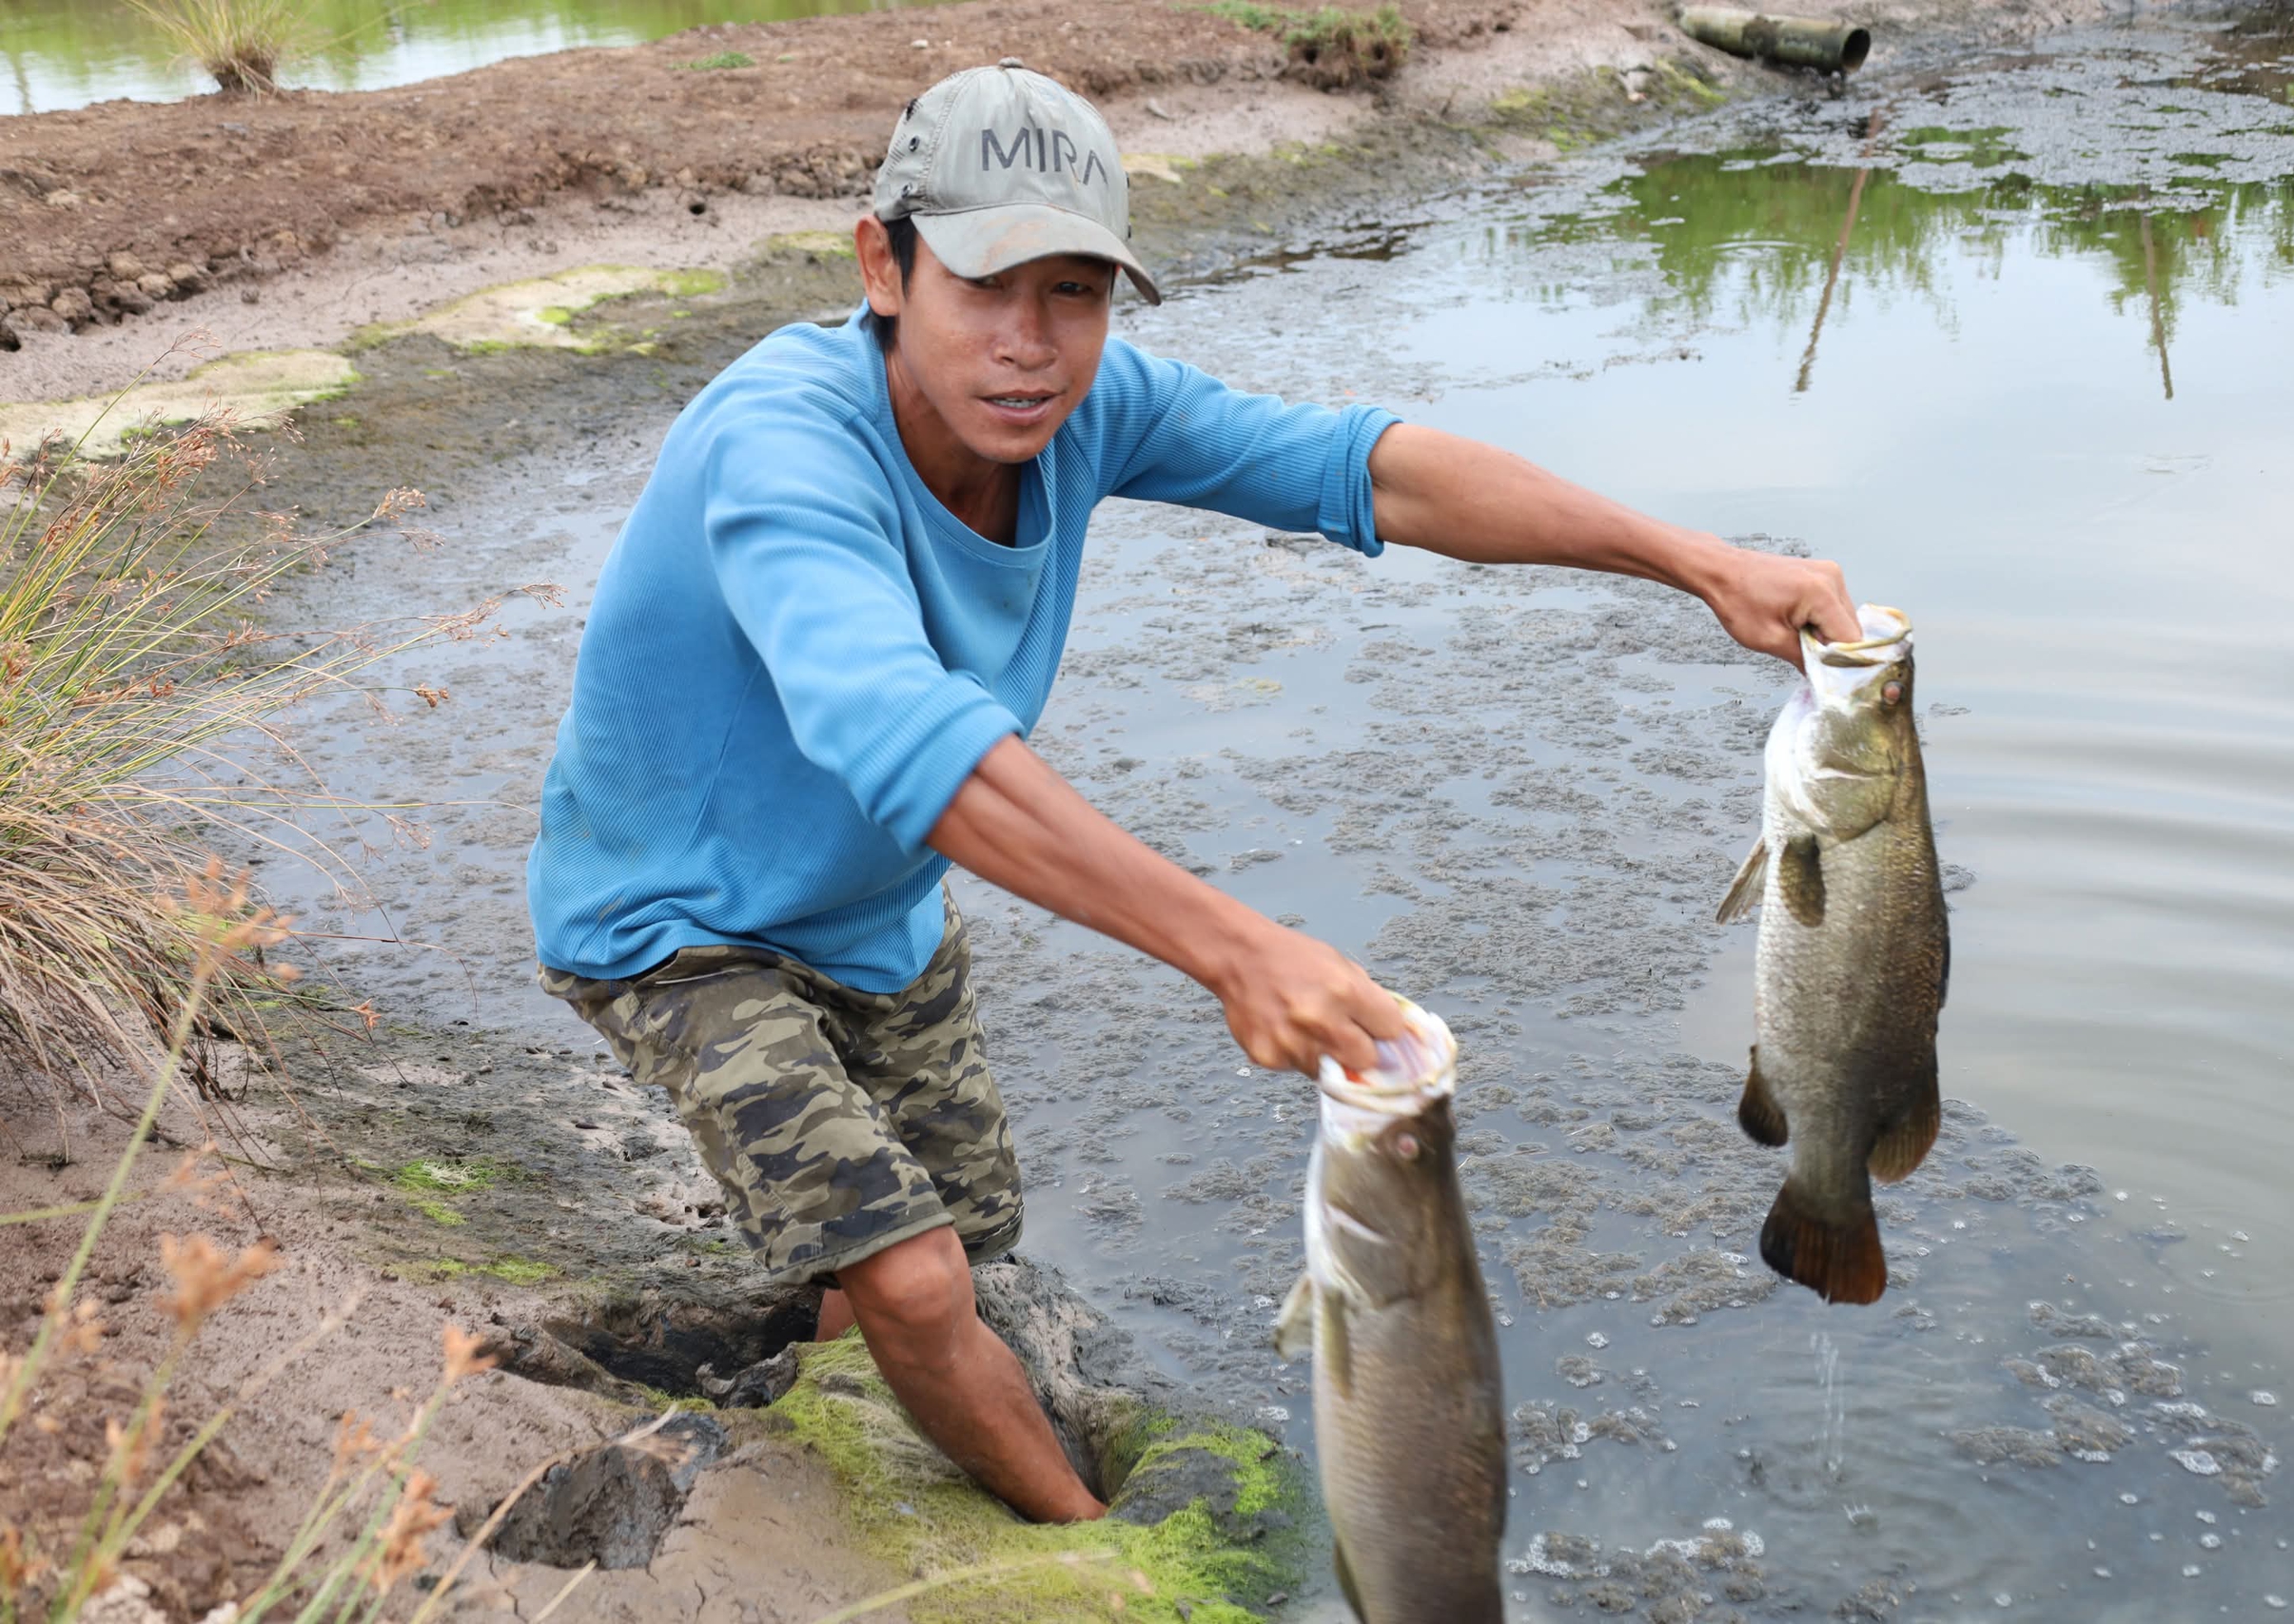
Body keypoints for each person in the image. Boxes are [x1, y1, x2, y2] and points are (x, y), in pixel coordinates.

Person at [526, 59, 1860, 1525]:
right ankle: (1083, 1552)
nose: (1030, 345)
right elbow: (903, 741)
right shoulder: (782, 444)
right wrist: (1238, 951)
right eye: (985, 287)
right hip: (679, 922)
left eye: (1075, 292)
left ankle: (829, 1411)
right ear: (883, 267)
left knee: (964, 1234)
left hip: (872, 913)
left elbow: (1370, 473)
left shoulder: (1085, 409)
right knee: (914, 1276)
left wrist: (1702, 563)